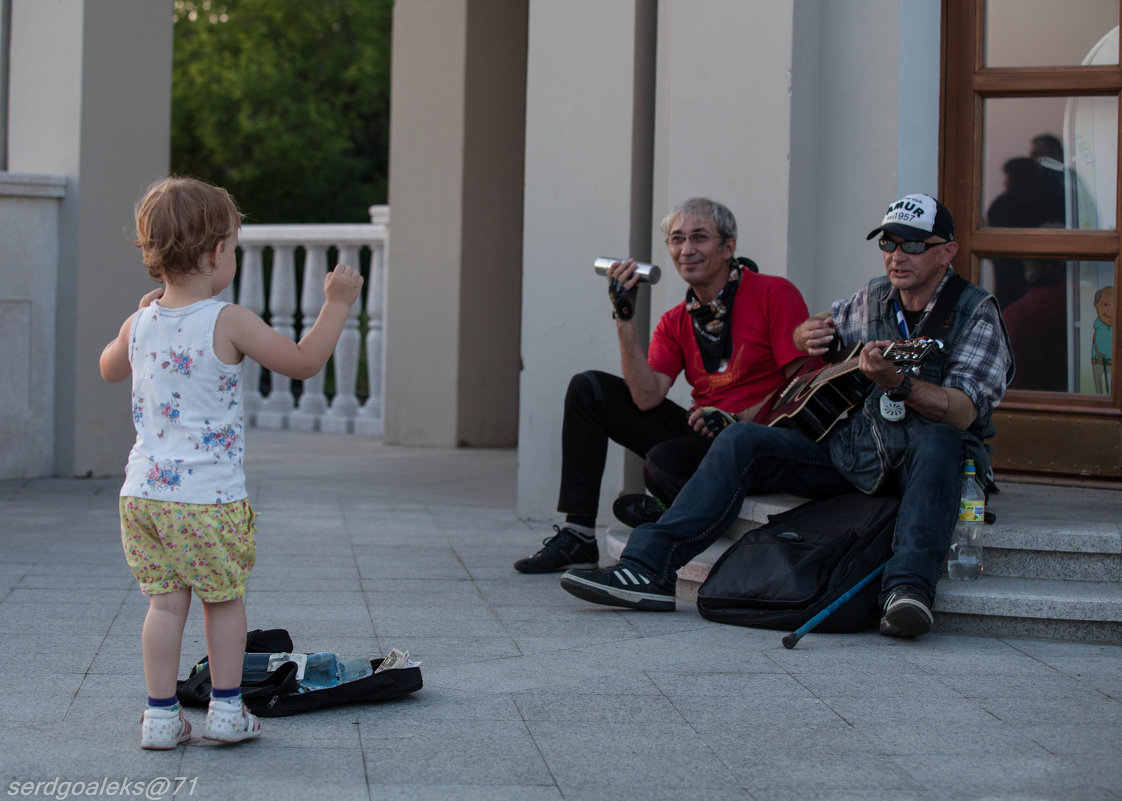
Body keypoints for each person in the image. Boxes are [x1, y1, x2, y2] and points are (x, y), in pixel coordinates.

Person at [560, 193, 1014, 640]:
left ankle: (908, 590)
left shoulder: (975, 312)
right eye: (888, 244)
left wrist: (902, 384)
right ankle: (647, 568)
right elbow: (818, 333)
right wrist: (804, 334)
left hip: (925, 462)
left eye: (913, 245)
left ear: (947, 252)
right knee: (741, 441)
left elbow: (964, 410)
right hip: (855, 453)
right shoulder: (872, 298)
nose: (897, 256)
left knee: (940, 440)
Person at [99, 176, 364, 749]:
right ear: (217, 252)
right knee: (223, 602)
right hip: (209, 500)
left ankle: (160, 718)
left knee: (164, 606)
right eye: (235, 247)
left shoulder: (140, 320)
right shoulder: (228, 320)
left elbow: (109, 368)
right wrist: (337, 305)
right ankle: (225, 711)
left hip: (144, 496)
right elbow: (302, 362)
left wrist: (137, 319)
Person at [514, 198, 809, 573]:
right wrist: (624, 317)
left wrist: (738, 419)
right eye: (677, 239)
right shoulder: (676, 320)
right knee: (589, 388)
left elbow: (803, 386)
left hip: (761, 441)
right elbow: (647, 395)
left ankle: (667, 510)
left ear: (728, 246)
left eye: (699, 238)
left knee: (663, 465)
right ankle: (578, 536)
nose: (686, 250)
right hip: (706, 432)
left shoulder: (773, 293)